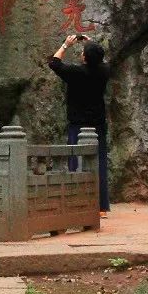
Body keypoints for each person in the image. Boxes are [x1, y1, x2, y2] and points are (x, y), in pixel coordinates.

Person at [48, 31, 110, 215]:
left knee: (75, 162)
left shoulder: (76, 72)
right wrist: (91, 44)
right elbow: (100, 59)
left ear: (84, 57)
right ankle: (101, 207)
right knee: (99, 163)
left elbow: (54, 62)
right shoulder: (104, 71)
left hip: (78, 124)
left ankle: (77, 202)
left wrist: (66, 45)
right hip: (98, 124)